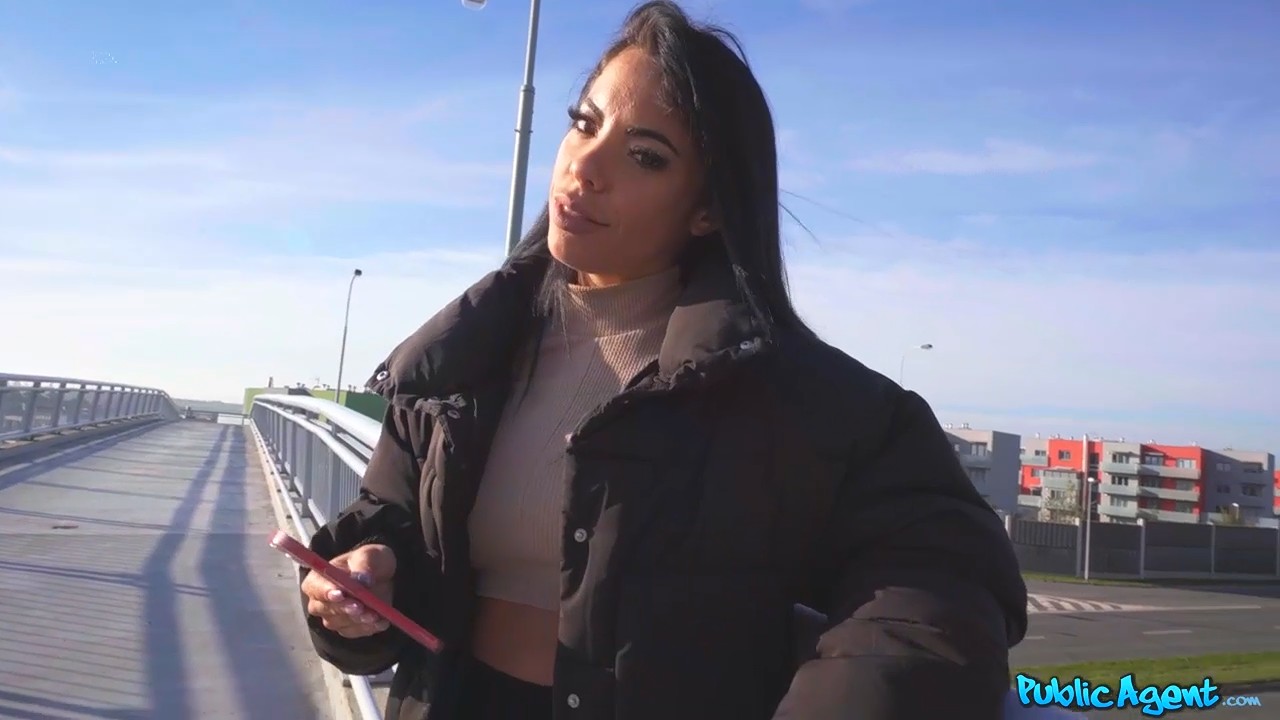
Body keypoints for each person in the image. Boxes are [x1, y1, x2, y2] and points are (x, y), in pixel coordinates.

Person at [298, 2, 1028, 719]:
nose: (585, 166)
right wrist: (364, 582)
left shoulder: (806, 402)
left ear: (708, 208)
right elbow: (390, 523)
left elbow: (931, 599)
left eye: (645, 155)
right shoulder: (462, 359)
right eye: (585, 123)